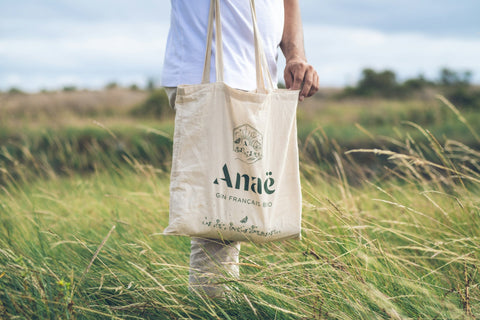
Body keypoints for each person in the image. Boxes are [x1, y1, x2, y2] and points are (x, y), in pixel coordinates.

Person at [161, 0, 319, 297]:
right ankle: (216, 309)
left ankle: (217, 306)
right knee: (218, 223)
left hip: (258, 75)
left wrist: (295, 55)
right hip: (206, 76)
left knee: (226, 219)